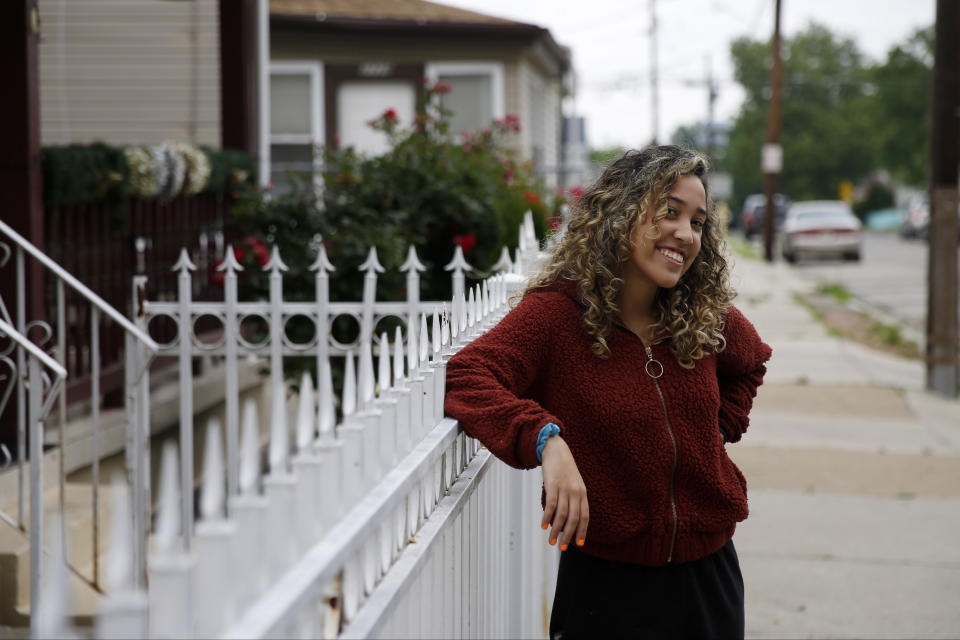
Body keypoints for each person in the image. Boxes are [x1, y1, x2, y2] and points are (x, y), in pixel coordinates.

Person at [444, 145, 772, 639]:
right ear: (622, 213)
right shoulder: (557, 316)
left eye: (698, 221)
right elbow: (466, 375)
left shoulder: (703, 314)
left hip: (709, 580)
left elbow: (752, 361)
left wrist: (716, 428)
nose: (685, 234)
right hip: (607, 591)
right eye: (669, 212)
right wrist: (545, 439)